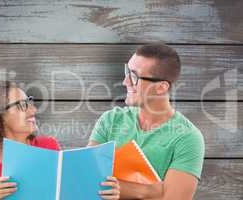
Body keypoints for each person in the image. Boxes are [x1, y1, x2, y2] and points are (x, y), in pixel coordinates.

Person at [88, 43, 205, 200]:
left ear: (161, 87)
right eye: (127, 72)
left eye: (134, 76)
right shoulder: (110, 119)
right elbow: (87, 177)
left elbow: (173, 197)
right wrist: (153, 190)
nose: (125, 82)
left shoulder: (187, 137)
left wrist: (122, 188)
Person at [0, 81, 120, 200]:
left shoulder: (48, 145)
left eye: (30, 102)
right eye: (22, 105)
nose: (33, 110)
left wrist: (103, 190)